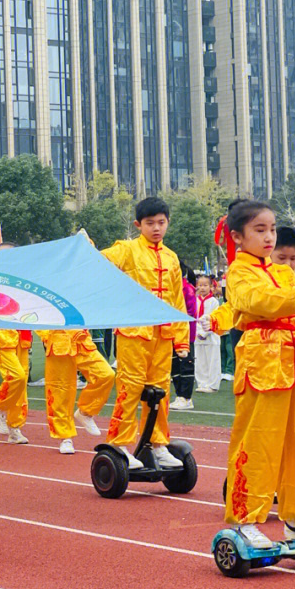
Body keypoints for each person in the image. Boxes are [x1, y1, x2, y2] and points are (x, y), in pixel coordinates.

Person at [214, 199, 295, 547]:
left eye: (271, 229)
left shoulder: (284, 273)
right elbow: (263, 303)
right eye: (260, 230)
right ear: (237, 237)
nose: (269, 237)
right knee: (258, 444)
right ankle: (245, 520)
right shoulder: (239, 274)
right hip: (263, 365)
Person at [101, 197, 190, 470]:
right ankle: (119, 443)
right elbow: (100, 261)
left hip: (161, 335)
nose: (156, 228)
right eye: (150, 223)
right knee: (130, 388)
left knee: (160, 391)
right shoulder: (126, 250)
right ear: (138, 225)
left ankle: (158, 444)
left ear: (168, 223)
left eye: (161, 223)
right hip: (133, 333)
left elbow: (177, 301)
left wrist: (181, 338)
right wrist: (85, 247)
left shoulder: (172, 258)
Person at [169, 264, 199, 410]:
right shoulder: (172, 287)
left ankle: (186, 397)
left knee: (185, 365)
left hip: (185, 334)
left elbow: (190, 314)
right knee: (174, 366)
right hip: (171, 332)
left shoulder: (186, 289)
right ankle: (179, 395)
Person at [193, 274, 221, 393]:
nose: (203, 288)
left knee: (212, 360)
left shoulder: (214, 302)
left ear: (211, 287)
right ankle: (202, 382)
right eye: (200, 285)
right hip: (197, 335)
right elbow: (194, 317)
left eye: (205, 285)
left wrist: (204, 332)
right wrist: (197, 332)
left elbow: (212, 318)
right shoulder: (195, 301)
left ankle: (212, 384)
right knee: (200, 360)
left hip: (211, 335)